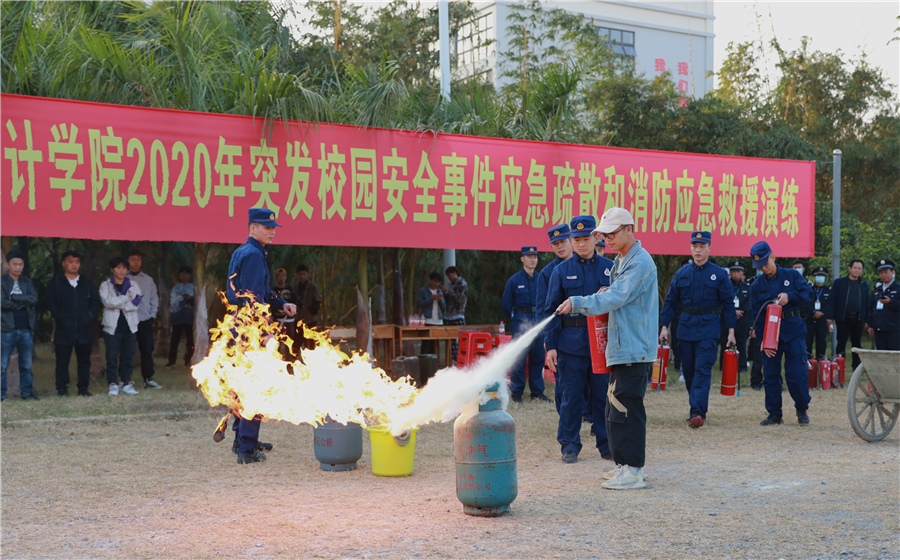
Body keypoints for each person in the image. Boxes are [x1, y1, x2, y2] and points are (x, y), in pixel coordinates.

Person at [554, 207, 658, 490]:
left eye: (612, 234)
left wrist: (578, 302)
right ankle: (624, 466)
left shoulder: (640, 262)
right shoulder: (621, 260)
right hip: (621, 348)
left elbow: (617, 297)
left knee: (627, 409)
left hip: (634, 348)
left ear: (629, 229)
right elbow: (616, 295)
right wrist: (603, 294)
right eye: (604, 235)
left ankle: (633, 470)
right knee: (614, 408)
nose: (607, 239)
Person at [226, 208, 298, 464]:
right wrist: (266, 333)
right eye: (267, 227)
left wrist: (281, 303)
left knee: (245, 384)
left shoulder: (243, 251)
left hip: (239, 325)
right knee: (255, 386)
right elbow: (254, 301)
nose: (272, 231)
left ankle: (242, 439)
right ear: (252, 227)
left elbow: (262, 292)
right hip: (251, 328)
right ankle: (246, 447)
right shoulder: (255, 255)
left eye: (273, 227)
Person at [544, 215, 615, 463]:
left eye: (586, 238)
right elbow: (551, 311)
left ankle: (606, 444)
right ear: (571, 241)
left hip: (602, 345)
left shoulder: (610, 268)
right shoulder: (561, 271)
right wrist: (551, 346)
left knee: (603, 396)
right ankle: (569, 445)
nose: (581, 244)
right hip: (570, 344)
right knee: (571, 397)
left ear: (596, 238)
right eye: (577, 240)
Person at [659, 231, 736, 428]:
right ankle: (697, 407)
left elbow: (729, 305)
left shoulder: (719, 274)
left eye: (702, 246)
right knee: (689, 371)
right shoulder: (682, 273)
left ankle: (697, 412)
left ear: (710, 248)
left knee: (702, 369)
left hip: (708, 328)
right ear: (690, 248)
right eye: (695, 246)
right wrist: (664, 327)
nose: (698, 250)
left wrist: (731, 332)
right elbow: (670, 302)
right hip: (685, 327)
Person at [748, 242, 814, 426]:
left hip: (793, 330)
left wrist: (790, 296)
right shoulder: (756, 286)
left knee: (797, 373)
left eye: (765, 263)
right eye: (759, 266)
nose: (763, 268)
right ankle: (774, 413)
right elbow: (757, 316)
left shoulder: (792, 275)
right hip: (770, 335)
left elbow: (809, 295)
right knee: (770, 375)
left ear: (773, 257)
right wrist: (763, 340)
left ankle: (802, 408)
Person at [501, 246, 550, 404]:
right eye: (529, 257)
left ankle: (537, 392)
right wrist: (517, 319)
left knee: (538, 359)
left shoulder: (542, 279)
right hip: (520, 326)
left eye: (535, 257)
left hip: (538, 325)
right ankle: (516, 392)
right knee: (519, 360)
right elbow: (506, 305)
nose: (533, 260)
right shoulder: (514, 280)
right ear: (522, 259)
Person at [46, 250, 99, 397]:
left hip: (84, 329)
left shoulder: (86, 282)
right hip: (64, 328)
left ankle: (83, 388)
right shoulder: (56, 282)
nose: (74, 265)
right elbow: (50, 301)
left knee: (84, 361)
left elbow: (95, 302)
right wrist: (60, 316)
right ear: (64, 263)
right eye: (70, 262)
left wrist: (89, 315)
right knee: (62, 362)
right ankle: (62, 389)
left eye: (77, 262)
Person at [535, 223, 573, 411]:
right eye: (555, 244)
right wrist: (547, 339)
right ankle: (566, 418)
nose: (560, 247)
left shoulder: (585, 265)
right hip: (560, 333)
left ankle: (588, 417)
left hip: (585, 331)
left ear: (570, 240)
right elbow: (543, 309)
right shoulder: (547, 273)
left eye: (563, 242)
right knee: (563, 380)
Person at [100, 257, 143, 397]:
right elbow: (107, 302)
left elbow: (136, 303)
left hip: (130, 327)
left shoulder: (133, 284)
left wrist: (119, 304)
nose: (122, 270)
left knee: (128, 357)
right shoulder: (106, 285)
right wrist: (125, 299)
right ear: (112, 270)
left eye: (124, 268)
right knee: (111, 357)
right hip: (112, 327)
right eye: (118, 268)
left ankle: (126, 383)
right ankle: (113, 384)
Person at [1, 250, 39, 401]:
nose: (18, 267)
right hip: (6, 328)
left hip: (25, 329)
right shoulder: (2, 281)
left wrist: (15, 298)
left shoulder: (27, 282)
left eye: (20, 264)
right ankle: (1, 394)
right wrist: (22, 302)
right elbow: (2, 302)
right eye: (15, 264)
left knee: (26, 365)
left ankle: (27, 394)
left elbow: (34, 299)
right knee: (2, 365)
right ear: (7, 264)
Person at [126, 249, 161, 389]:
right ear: (128, 261)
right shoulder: (122, 278)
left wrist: (152, 315)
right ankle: (125, 380)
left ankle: (148, 379)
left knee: (147, 350)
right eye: (133, 259)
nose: (136, 262)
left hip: (145, 319)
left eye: (139, 259)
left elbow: (154, 299)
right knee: (127, 350)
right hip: (127, 320)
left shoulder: (148, 280)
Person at [827, 260, 869, 370]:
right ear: (850, 269)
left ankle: (856, 367)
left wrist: (867, 320)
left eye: (859, 268)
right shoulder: (839, 283)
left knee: (857, 344)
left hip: (858, 318)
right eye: (855, 268)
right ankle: (839, 366)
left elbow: (867, 302)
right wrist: (830, 316)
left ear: (862, 270)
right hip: (843, 318)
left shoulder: (864, 285)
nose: (857, 270)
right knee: (841, 343)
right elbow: (832, 300)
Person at [719, 261, 751, 376]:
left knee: (741, 343)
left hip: (742, 319)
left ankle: (742, 366)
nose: (736, 274)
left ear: (743, 273)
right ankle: (723, 366)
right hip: (726, 320)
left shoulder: (747, 287)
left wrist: (740, 312)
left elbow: (749, 304)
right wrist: (733, 312)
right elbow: (721, 302)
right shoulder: (724, 286)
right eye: (733, 271)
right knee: (725, 343)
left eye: (738, 271)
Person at [867, 259, 899, 350]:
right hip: (879, 328)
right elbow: (871, 307)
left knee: (894, 355)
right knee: (881, 355)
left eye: (886, 272)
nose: (883, 275)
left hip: (894, 329)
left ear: (892, 272)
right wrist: (870, 325)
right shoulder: (878, 290)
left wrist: (891, 302)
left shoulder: (898, 288)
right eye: (881, 273)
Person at [167, 266, 195, 368]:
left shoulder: (192, 288)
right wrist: (185, 298)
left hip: (189, 318)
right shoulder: (175, 289)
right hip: (177, 317)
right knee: (175, 339)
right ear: (179, 275)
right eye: (182, 274)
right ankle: (171, 361)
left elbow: (194, 301)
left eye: (186, 274)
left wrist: (188, 298)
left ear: (189, 275)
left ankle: (188, 360)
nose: (184, 276)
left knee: (190, 340)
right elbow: (173, 303)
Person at [290, 264, 322, 352]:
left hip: (310, 320)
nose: (302, 276)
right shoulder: (295, 288)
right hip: (298, 319)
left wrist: (313, 309)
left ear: (307, 274)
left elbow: (318, 301)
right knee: (296, 343)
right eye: (300, 274)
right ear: (297, 275)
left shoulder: (312, 287)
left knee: (310, 344)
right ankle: (294, 357)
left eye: (304, 274)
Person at [441, 266, 468, 364]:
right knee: (450, 341)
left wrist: (448, 291)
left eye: (449, 275)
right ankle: (453, 359)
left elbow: (460, 298)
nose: (449, 278)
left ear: (455, 273)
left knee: (461, 339)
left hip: (458, 314)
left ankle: (462, 359)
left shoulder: (462, 284)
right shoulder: (451, 285)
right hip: (448, 315)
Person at [805, 267, 832, 360]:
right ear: (814, 277)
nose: (820, 277)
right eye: (818, 275)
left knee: (821, 341)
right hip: (810, 319)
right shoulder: (809, 290)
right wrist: (813, 312)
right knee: (807, 341)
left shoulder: (829, 291)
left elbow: (830, 304)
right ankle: (808, 361)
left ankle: (820, 360)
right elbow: (806, 303)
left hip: (822, 319)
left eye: (822, 275)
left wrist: (822, 313)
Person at [417, 272, 444, 355]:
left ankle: (433, 360)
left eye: (438, 282)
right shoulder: (423, 290)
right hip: (427, 320)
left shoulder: (439, 291)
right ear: (430, 280)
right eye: (434, 281)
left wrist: (440, 300)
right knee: (426, 343)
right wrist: (431, 298)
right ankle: (423, 360)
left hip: (438, 321)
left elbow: (444, 305)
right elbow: (419, 304)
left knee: (434, 344)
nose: (436, 284)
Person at [271, 268, 296, 341]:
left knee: (289, 341)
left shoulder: (290, 289)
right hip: (277, 320)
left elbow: (294, 301)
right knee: (277, 341)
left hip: (289, 320)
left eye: (283, 276)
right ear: (276, 278)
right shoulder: (273, 291)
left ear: (286, 277)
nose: (281, 278)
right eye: (279, 276)